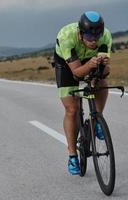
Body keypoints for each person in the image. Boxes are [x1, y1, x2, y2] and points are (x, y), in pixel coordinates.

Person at [53, 11, 112, 175]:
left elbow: (106, 72)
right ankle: (72, 156)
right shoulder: (67, 37)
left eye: (97, 36)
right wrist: (91, 66)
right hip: (67, 66)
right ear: (80, 32)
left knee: (102, 81)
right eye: (88, 36)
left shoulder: (105, 36)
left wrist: (104, 68)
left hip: (90, 60)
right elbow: (77, 73)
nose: (93, 40)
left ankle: (97, 119)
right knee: (72, 110)